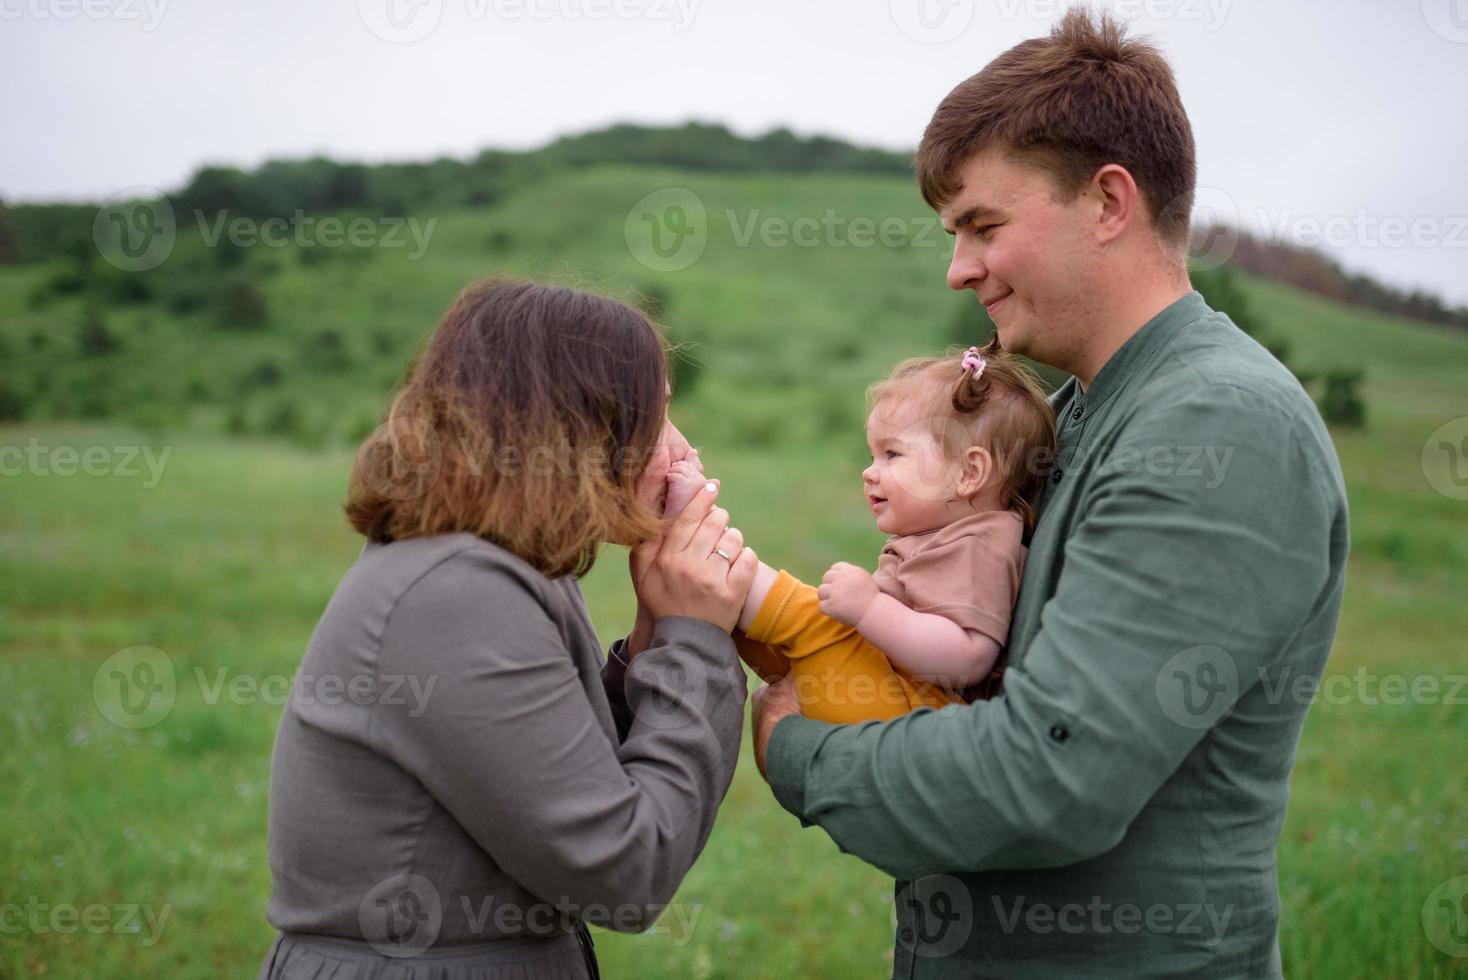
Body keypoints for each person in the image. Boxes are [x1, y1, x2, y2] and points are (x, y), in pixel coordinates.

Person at [750, 10, 1349, 978]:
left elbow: (1050, 774)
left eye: (983, 226)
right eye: (953, 234)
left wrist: (799, 751)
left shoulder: (1219, 427)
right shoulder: (1077, 412)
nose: (958, 268)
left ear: (1108, 202)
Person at [257, 278, 757, 979]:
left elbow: (561, 778)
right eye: (659, 416)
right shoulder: (456, 594)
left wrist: (656, 632)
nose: (681, 449)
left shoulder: (501, 568)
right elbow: (625, 870)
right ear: (580, 423)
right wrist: (696, 641)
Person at [666, 346, 1056, 723]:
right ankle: (695, 552)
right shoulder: (952, 533)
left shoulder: (979, 545)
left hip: (922, 713)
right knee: (740, 617)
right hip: (891, 693)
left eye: (893, 455)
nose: (869, 472)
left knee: (805, 617)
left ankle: (692, 529)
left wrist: (871, 609)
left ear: (968, 473)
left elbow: (969, 657)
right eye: (872, 455)